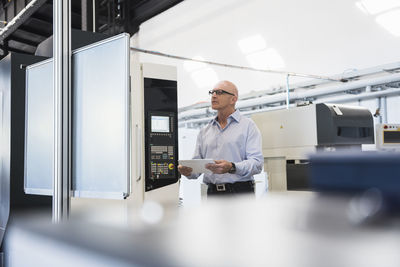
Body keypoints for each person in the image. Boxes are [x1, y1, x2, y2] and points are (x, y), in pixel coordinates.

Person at [178, 80, 263, 196]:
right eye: (212, 92)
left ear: (233, 99)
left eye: (219, 92)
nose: (213, 96)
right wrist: (188, 171)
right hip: (213, 193)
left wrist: (232, 167)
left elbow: (257, 164)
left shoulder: (248, 126)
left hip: (240, 192)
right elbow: (197, 170)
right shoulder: (205, 131)